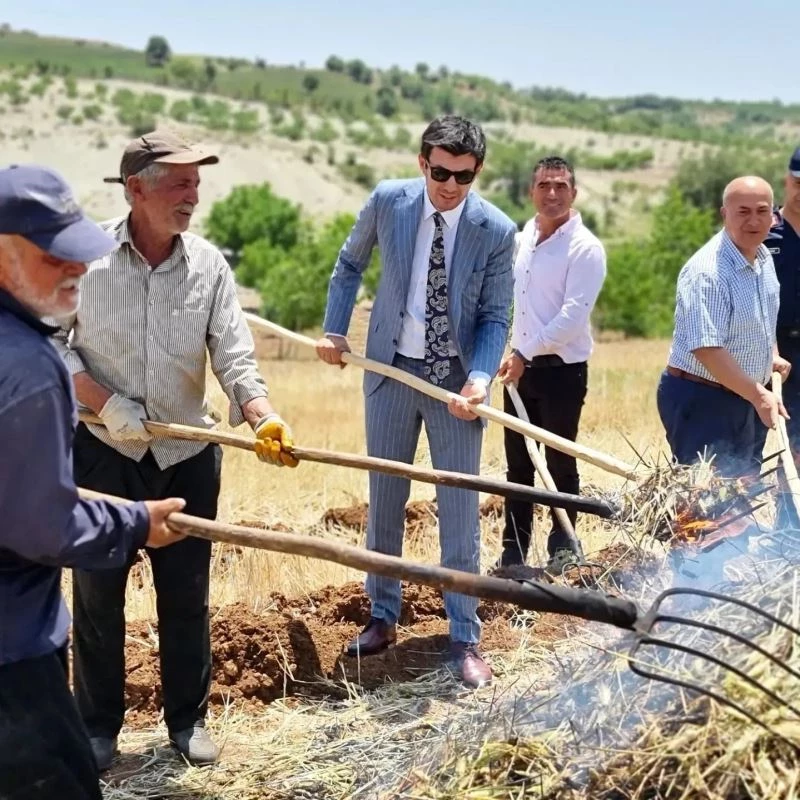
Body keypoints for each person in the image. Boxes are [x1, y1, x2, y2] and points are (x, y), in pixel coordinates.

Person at [52, 130, 298, 771]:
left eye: (197, 183)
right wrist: (104, 402)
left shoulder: (209, 266)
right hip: (102, 451)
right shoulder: (86, 257)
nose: (193, 196)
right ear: (136, 189)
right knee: (98, 598)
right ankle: (98, 729)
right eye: (180, 184)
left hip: (185, 456)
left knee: (186, 596)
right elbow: (52, 343)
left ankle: (187, 722)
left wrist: (262, 416)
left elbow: (235, 358)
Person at [0, 163, 186, 800]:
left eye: (77, 252)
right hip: (13, 657)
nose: (76, 268)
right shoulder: (29, 368)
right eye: (53, 256)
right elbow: (40, 526)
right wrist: (136, 522)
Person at [315, 115, 516, 689]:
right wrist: (335, 330)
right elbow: (349, 263)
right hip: (391, 369)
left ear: (478, 172)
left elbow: (495, 315)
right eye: (440, 172)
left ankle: (464, 635)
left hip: (455, 383)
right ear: (422, 162)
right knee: (385, 498)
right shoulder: (389, 202)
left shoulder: (496, 230)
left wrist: (480, 378)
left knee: (459, 506)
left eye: (463, 176)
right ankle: (382, 616)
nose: (450, 186)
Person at [495, 156, 606, 572]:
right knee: (518, 466)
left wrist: (524, 353)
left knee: (560, 462)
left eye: (561, 186)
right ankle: (513, 553)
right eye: (544, 185)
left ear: (573, 193)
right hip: (520, 370)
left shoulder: (585, 248)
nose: (553, 193)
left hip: (561, 371)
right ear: (532, 192)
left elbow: (571, 317)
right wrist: (513, 352)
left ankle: (564, 547)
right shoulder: (524, 237)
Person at [657, 176, 790, 476]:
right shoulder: (707, 272)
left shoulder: (764, 258)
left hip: (745, 395)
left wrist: (770, 354)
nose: (753, 221)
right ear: (724, 214)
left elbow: (762, 318)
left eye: (762, 211)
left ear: (773, 215)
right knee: (706, 495)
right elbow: (706, 348)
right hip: (703, 399)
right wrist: (759, 396)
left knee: (742, 488)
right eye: (743, 212)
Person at [765, 147, 800, 528]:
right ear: (787, 181)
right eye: (798, 182)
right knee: (784, 443)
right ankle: (786, 532)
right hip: (773, 351)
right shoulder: (765, 231)